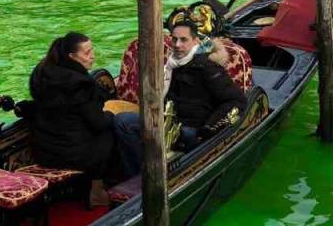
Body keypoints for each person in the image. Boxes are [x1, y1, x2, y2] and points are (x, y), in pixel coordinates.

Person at [114, 20, 246, 178]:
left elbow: (236, 100)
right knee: (122, 121)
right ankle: (137, 174)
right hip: (167, 121)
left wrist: (209, 128)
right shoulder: (171, 65)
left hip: (192, 128)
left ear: (195, 41)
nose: (177, 44)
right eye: (174, 39)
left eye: (183, 40)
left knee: (186, 134)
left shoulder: (207, 67)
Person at [27, 32, 115, 206]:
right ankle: (96, 192)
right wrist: (112, 114)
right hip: (71, 155)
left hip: (43, 151)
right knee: (108, 135)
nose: (93, 56)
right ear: (72, 57)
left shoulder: (43, 75)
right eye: (87, 52)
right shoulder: (80, 84)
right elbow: (98, 122)